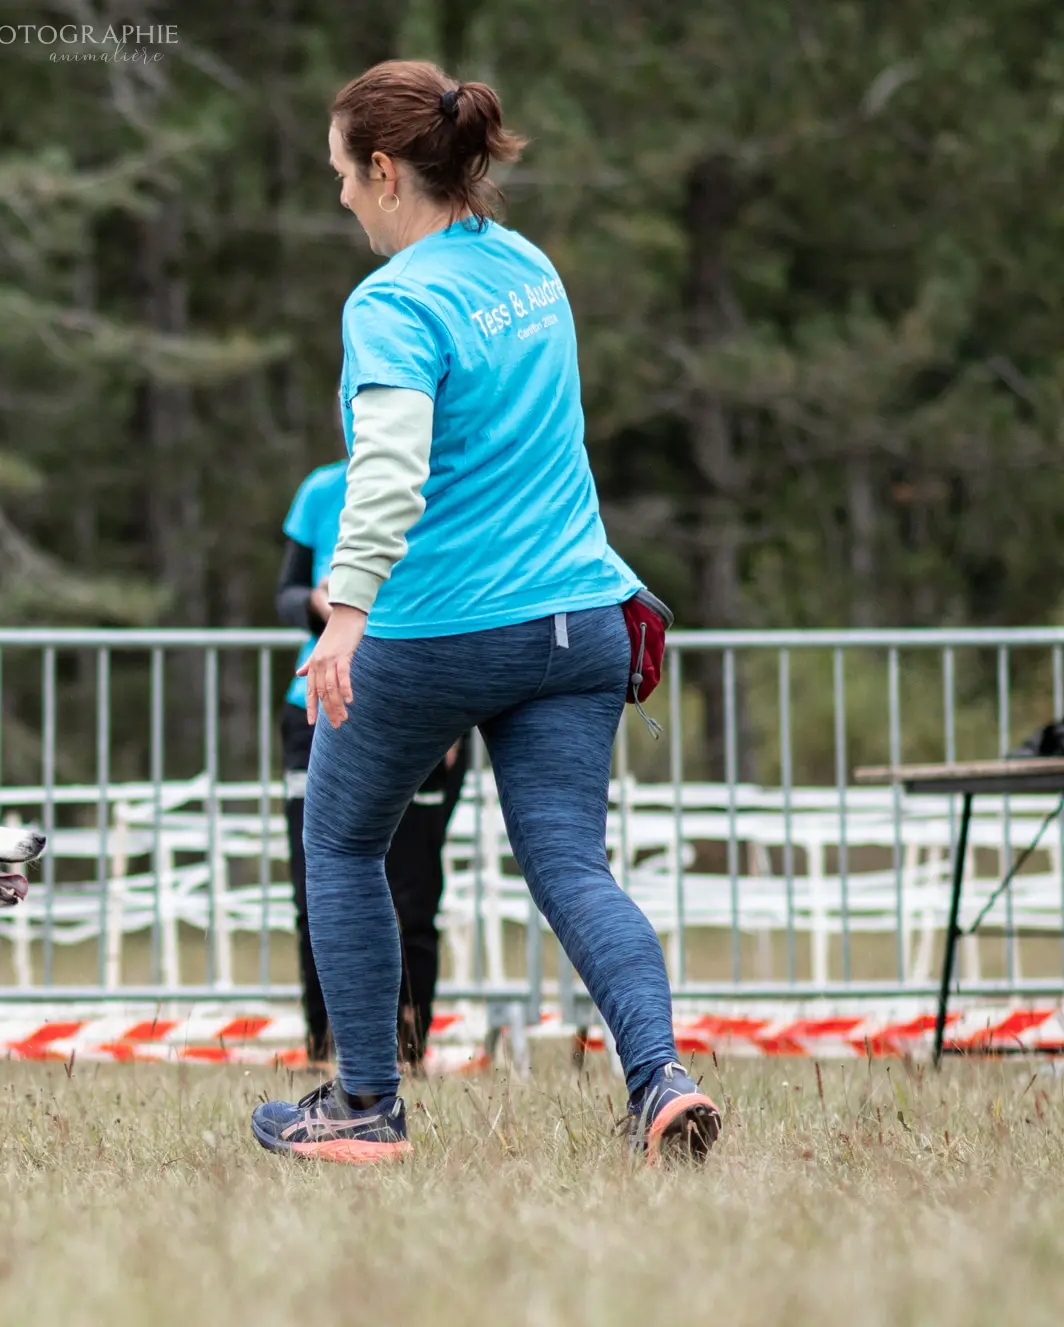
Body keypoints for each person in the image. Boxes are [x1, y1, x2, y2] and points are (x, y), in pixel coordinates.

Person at [250, 59, 721, 1166]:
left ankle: (363, 1103)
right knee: (568, 865)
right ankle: (658, 1080)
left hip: (441, 629)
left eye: (339, 176)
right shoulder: (528, 269)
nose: (337, 200)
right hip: (578, 618)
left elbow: (390, 468)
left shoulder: (392, 301)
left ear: (382, 171)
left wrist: (346, 609)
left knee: (339, 840)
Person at [276, 461, 467, 1070]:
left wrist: (454, 711)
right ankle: (324, 1045)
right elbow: (283, 593)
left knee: (411, 889)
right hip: (318, 704)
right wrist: (314, 602)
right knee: (318, 888)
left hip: (419, 702)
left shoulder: (451, 481)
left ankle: (408, 1048)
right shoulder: (321, 489)